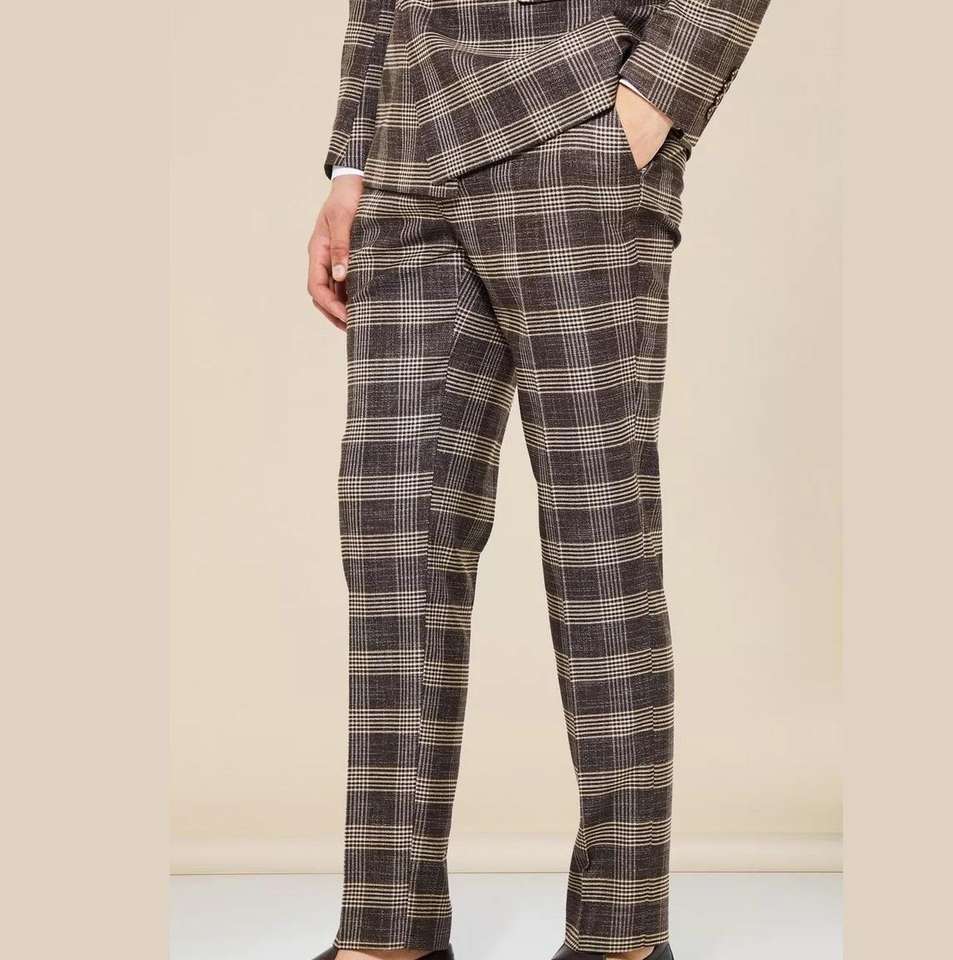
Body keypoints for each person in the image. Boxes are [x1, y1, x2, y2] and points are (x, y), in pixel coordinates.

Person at [307, 2, 770, 958]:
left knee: (598, 541)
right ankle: (388, 930)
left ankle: (619, 933)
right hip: (403, 155)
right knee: (394, 546)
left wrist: (653, 100)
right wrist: (352, 160)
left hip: (574, 127)